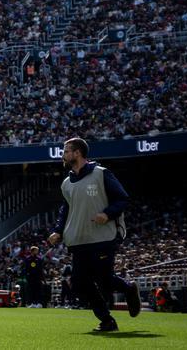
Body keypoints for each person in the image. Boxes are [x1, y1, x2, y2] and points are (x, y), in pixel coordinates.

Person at [48, 137, 140, 333]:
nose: (63, 155)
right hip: (80, 239)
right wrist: (57, 230)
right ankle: (107, 320)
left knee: (105, 280)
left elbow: (122, 198)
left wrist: (107, 214)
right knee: (80, 284)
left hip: (102, 237)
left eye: (66, 151)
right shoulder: (66, 183)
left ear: (77, 153)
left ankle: (129, 288)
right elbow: (66, 209)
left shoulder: (101, 173)